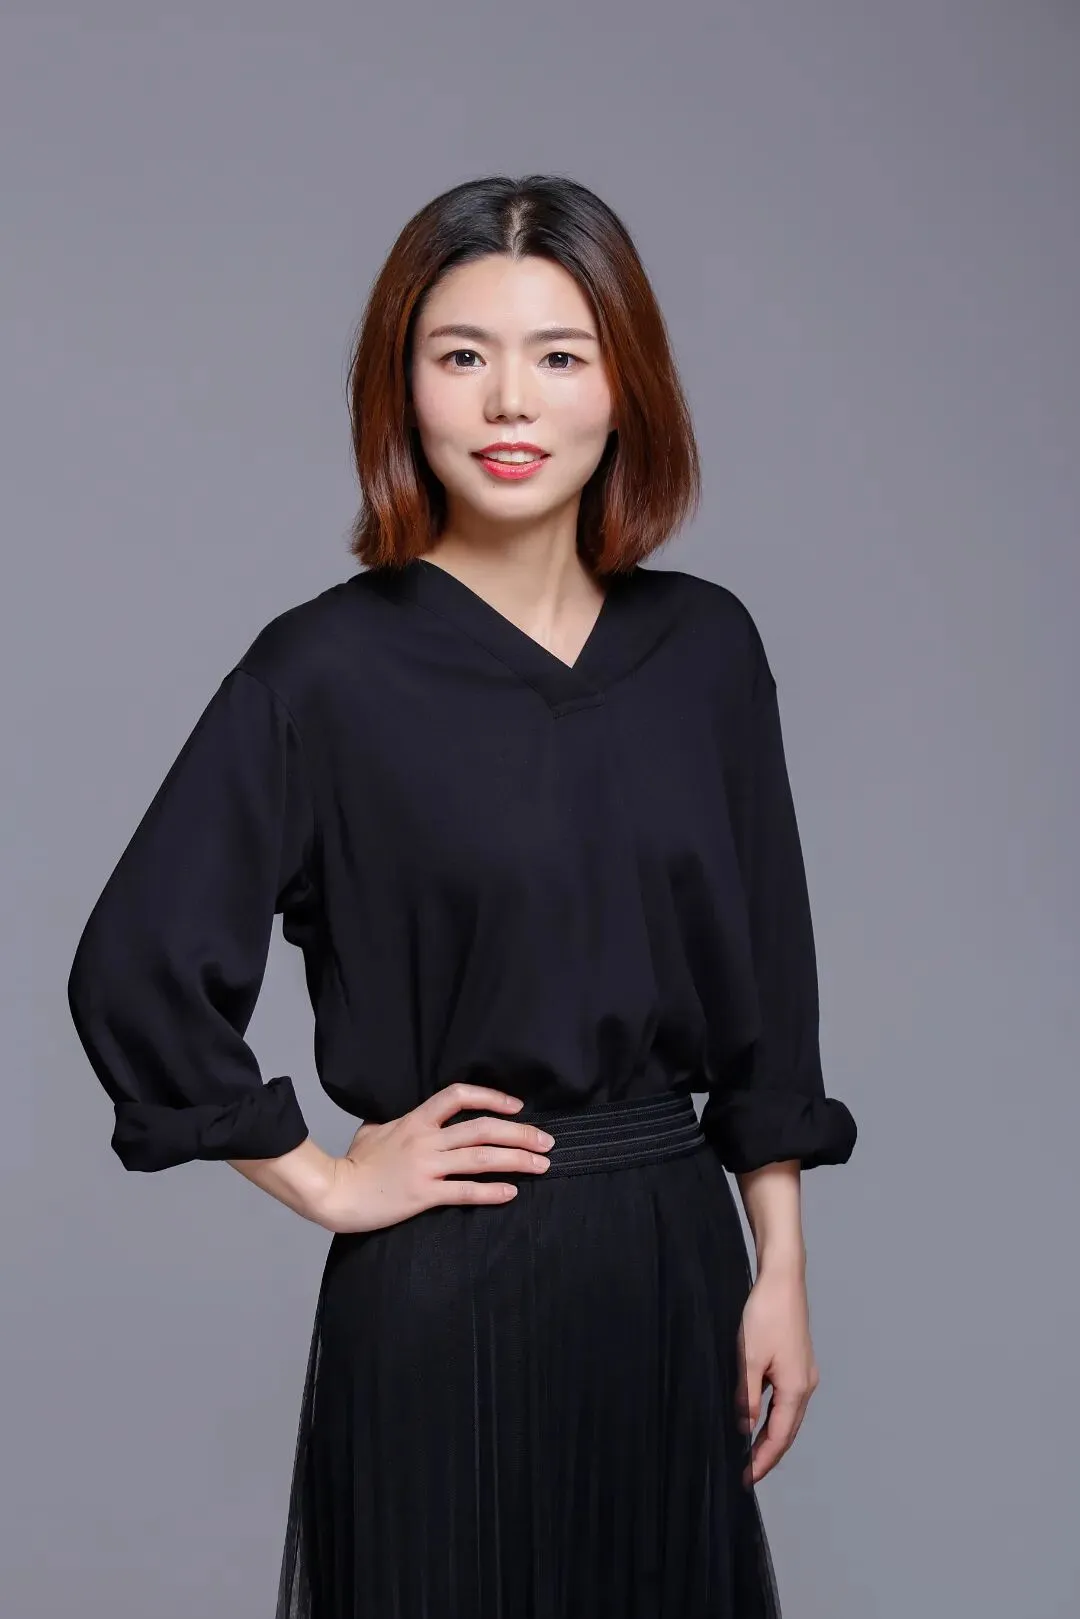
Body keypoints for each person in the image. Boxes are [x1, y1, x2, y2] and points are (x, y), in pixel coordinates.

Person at [65, 173, 858, 1619]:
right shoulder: (324, 670)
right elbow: (135, 963)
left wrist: (781, 1263)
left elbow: (770, 982)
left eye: (558, 355)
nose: (509, 401)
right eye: (461, 354)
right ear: (404, 384)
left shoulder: (707, 651)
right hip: (447, 1283)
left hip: (670, 1267)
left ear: (625, 385)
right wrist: (323, 1178)